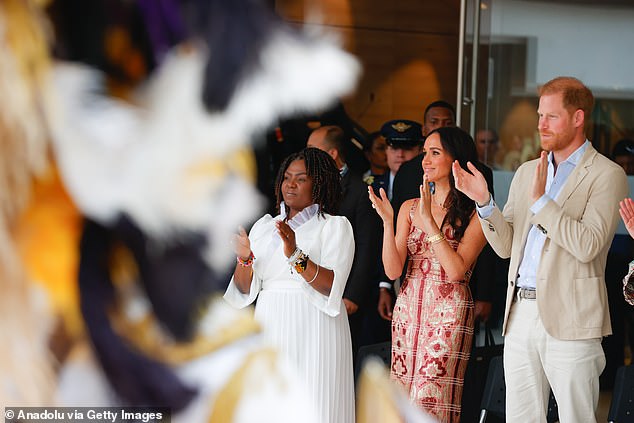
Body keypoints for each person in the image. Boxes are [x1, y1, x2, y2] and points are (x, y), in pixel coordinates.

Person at [453, 76, 629, 422]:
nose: (540, 124)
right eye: (539, 115)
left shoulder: (607, 174)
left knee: (575, 417)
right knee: (521, 417)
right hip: (519, 314)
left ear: (578, 118)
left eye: (551, 116)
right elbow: (505, 248)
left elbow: (590, 245)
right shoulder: (526, 171)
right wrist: (485, 202)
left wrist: (543, 202)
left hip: (573, 317)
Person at [224, 147, 356, 423]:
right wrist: (245, 258)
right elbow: (243, 290)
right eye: (286, 177)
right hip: (271, 320)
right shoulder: (264, 226)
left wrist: (295, 253)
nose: (290, 184)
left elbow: (331, 286)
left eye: (301, 178)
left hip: (314, 325)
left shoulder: (334, 227)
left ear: (319, 184)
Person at [368, 126, 487, 422]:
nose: (425, 160)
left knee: (430, 396)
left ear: (455, 159)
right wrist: (387, 222)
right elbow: (393, 269)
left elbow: (457, 272)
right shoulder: (410, 207)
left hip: (449, 313)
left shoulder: (476, 213)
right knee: (402, 394)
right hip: (408, 310)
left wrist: (432, 226)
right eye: (425, 153)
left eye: (435, 153)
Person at [307, 125, 381, 359]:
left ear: (332, 154)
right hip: (310, 287)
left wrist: (353, 295)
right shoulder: (303, 185)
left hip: (343, 294)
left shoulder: (360, 191)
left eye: (311, 150)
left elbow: (367, 246)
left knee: (337, 356)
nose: (304, 156)